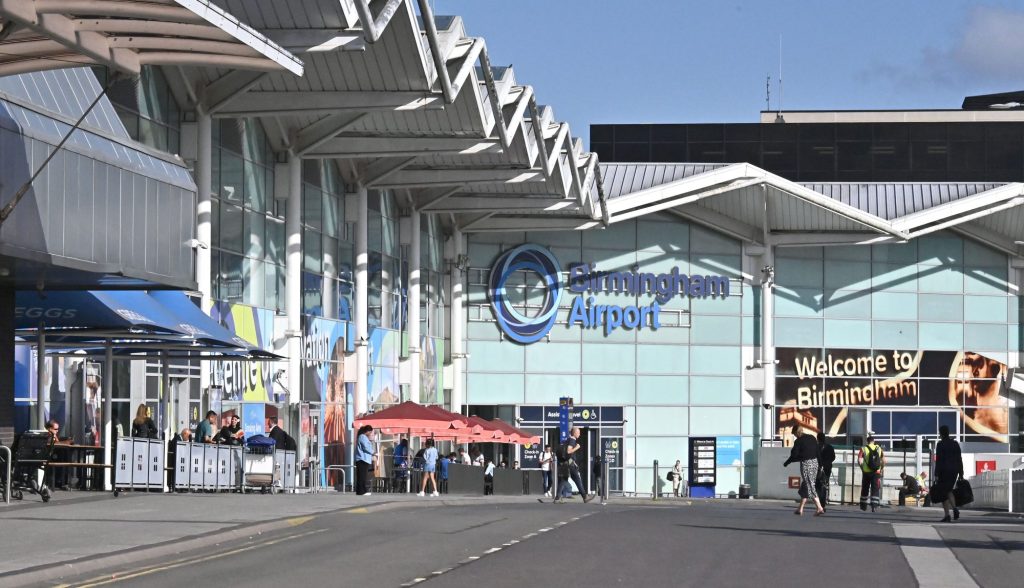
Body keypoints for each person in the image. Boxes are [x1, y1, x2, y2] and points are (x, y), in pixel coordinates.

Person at [784, 424, 826, 516]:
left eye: (794, 434)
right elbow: (817, 452)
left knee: (809, 485)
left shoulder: (798, 441)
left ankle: (819, 507)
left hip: (806, 464)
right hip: (815, 463)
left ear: (796, 433)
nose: (794, 436)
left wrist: (787, 462)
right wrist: (821, 464)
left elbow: (794, 455)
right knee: (807, 484)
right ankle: (800, 509)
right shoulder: (812, 438)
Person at [553, 427, 594, 504]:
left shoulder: (567, 440)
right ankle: (585, 497)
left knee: (563, 481)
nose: (579, 434)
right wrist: (577, 447)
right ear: (574, 433)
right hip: (570, 464)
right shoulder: (572, 440)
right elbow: (569, 451)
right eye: (578, 432)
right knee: (577, 480)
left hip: (564, 464)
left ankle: (557, 498)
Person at [933, 425, 965, 522]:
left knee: (943, 492)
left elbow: (938, 460)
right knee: (949, 490)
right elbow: (959, 459)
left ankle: (947, 515)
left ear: (941, 434)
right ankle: (955, 509)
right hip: (954, 471)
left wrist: (936, 474)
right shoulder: (955, 444)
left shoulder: (940, 444)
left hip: (944, 471)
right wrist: (961, 473)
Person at [858, 435, 885, 512]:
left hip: (866, 472)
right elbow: (884, 461)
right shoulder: (879, 448)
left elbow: (860, 461)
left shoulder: (863, 448)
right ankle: (874, 506)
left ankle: (863, 506)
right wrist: (881, 468)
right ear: (874, 441)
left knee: (865, 488)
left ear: (867, 441)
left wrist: (862, 468)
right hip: (876, 472)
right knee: (875, 489)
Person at [816, 433, 836, 507]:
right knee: (824, 484)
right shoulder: (830, 447)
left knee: (817, 485)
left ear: (817, 438)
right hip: (827, 468)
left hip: (818, 468)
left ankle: (819, 502)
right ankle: (823, 502)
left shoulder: (816, 447)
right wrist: (828, 462)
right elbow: (833, 457)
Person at [355, 425, 375, 496]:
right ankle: (362, 491)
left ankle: (360, 491)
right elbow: (366, 447)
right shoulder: (362, 437)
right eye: (370, 432)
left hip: (362, 459)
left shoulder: (362, 436)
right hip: (362, 459)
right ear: (367, 431)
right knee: (362, 476)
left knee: (362, 476)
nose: (370, 434)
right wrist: (373, 452)